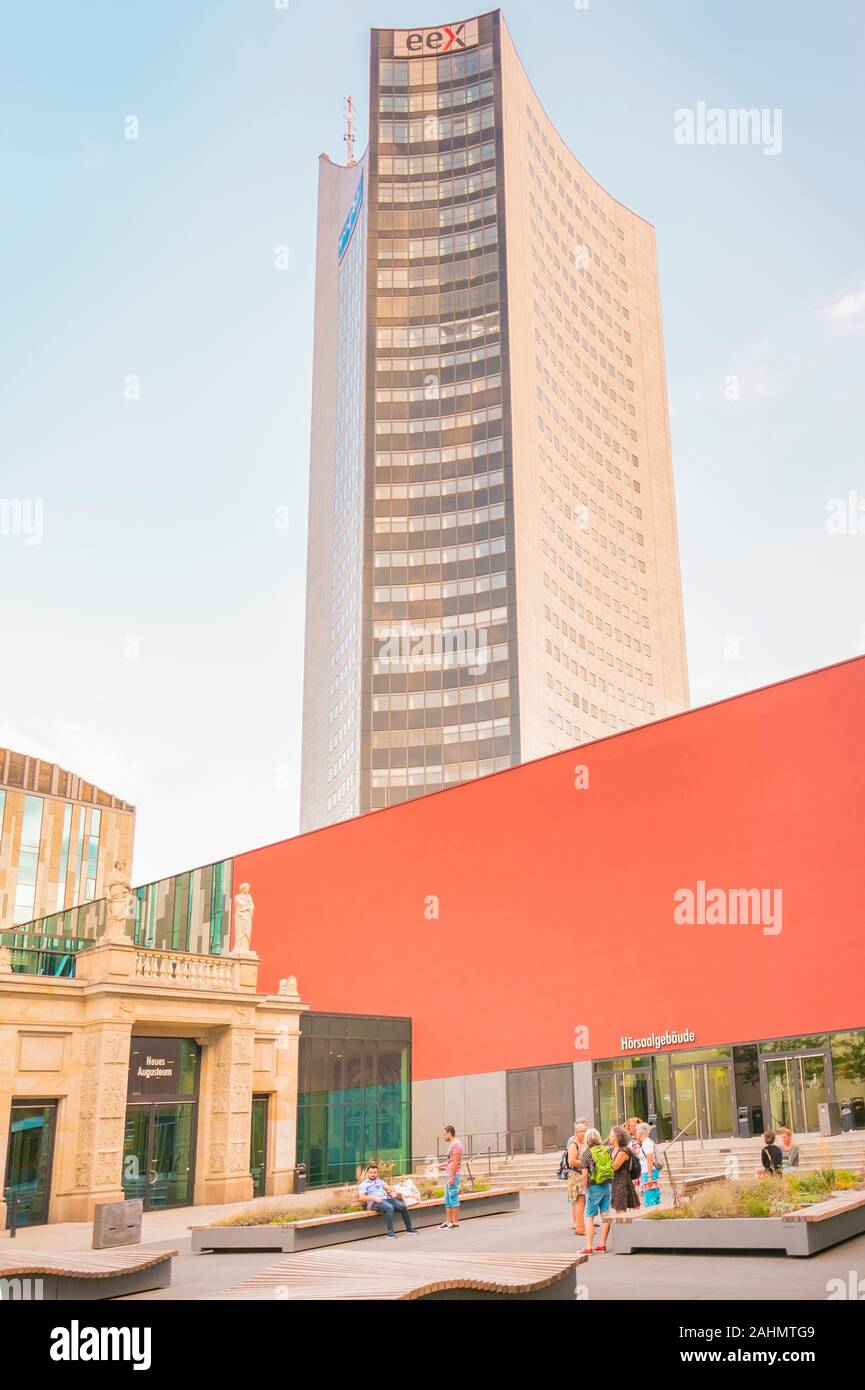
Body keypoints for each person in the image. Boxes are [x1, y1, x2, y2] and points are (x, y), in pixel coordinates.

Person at [357, 1163, 418, 1238]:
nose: (373, 1174)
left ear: (377, 1173)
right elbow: (361, 1197)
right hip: (375, 1203)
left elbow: (388, 1187)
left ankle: (409, 1229)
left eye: (375, 1172)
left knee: (403, 1206)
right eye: (371, 1172)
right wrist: (373, 1198)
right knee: (389, 1208)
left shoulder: (379, 1181)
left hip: (386, 1199)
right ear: (368, 1173)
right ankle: (390, 1233)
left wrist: (392, 1192)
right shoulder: (364, 1184)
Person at [579, 1127, 614, 1254]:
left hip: (593, 1187)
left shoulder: (586, 1154)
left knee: (589, 1217)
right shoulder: (606, 1150)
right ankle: (602, 1244)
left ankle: (588, 1247)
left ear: (587, 1139)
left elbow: (584, 1175)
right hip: (606, 1185)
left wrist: (584, 1188)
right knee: (605, 1215)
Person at [567, 1118, 590, 1235]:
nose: (583, 1133)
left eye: (584, 1131)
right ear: (576, 1133)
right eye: (580, 1131)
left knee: (583, 1201)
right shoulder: (573, 1144)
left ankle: (581, 1226)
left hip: (584, 1175)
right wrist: (586, 1164)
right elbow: (571, 1161)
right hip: (577, 1176)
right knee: (580, 1202)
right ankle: (580, 1228)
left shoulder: (585, 1143)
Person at [610, 1125, 640, 1212]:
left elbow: (615, 1166)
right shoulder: (613, 1149)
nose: (609, 1137)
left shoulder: (623, 1150)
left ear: (617, 1136)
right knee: (618, 1207)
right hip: (615, 1181)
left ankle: (625, 1225)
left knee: (620, 1207)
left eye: (611, 1134)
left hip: (622, 1181)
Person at [441, 1124, 464, 1229]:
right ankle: (448, 1221)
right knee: (447, 1198)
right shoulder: (452, 1144)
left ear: (450, 1133)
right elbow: (451, 1161)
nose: (443, 1136)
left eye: (444, 1134)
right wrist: (444, 1165)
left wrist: (451, 1176)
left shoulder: (456, 1144)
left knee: (453, 1197)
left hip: (453, 1175)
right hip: (449, 1174)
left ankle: (455, 1222)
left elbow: (456, 1161)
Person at [635, 1121, 661, 1207]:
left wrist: (649, 1176)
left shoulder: (646, 1143)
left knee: (650, 1200)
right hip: (649, 1172)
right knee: (654, 1197)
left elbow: (650, 1160)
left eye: (636, 1131)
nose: (635, 1133)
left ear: (641, 1132)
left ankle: (652, 1216)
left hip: (649, 1173)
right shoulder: (646, 1142)